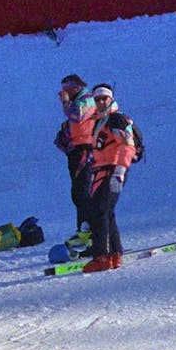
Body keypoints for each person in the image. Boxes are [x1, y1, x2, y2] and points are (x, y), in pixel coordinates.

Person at [82, 84, 137, 273]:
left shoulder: (115, 119)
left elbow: (127, 145)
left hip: (113, 170)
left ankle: (101, 256)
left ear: (111, 99)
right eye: (97, 99)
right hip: (101, 170)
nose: (100, 102)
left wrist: (120, 171)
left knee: (100, 212)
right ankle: (114, 253)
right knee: (106, 212)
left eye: (104, 98)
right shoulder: (101, 120)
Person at [55, 74, 97, 245]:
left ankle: (90, 232)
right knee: (77, 193)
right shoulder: (79, 100)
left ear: (76, 87)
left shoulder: (86, 99)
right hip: (76, 150)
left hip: (85, 150)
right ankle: (83, 230)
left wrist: (65, 102)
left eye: (67, 88)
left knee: (82, 192)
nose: (64, 92)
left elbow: (76, 115)